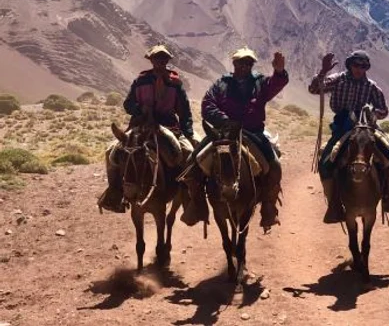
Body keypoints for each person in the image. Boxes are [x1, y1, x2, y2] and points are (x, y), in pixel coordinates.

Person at [180, 47, 288, 230]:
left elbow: (274, 85)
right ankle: (198, 206)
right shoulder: (221, 84)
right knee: (192, 163)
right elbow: (208, 104)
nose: (244, 66)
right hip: (224, 133)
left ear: (252, 65)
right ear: (234, 64)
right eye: (240, 63)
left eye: (248, 63)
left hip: (252, 132)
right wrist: (225, 121)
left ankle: (268, 209)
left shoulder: (260, 82)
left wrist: (279, 72)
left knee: (275, 166)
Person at [308, 50, 389, 223]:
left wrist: (374, 112)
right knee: (326, 163)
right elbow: (313, 89)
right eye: (356, 65)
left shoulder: (371, 86)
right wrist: (322, 72)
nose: (359, 69)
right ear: (349, 64)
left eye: (363, 66)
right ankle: (334, 205)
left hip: (367, 126)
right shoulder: (338, 80)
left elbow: (384, 110)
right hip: (343, 126)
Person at [98, 44, 196, 213]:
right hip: (140, 125)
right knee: (111, 151)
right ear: (151, 61)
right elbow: (128, 104)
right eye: (156, 59)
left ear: (167, 61)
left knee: (187, 152)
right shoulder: (140, 81)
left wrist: (187, 133)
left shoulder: (175, 83)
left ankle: (188, 195)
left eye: (163, 59)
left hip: (167, 125)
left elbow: (185, 111)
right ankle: (115, 193)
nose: (160, 62)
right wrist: (139, 110)